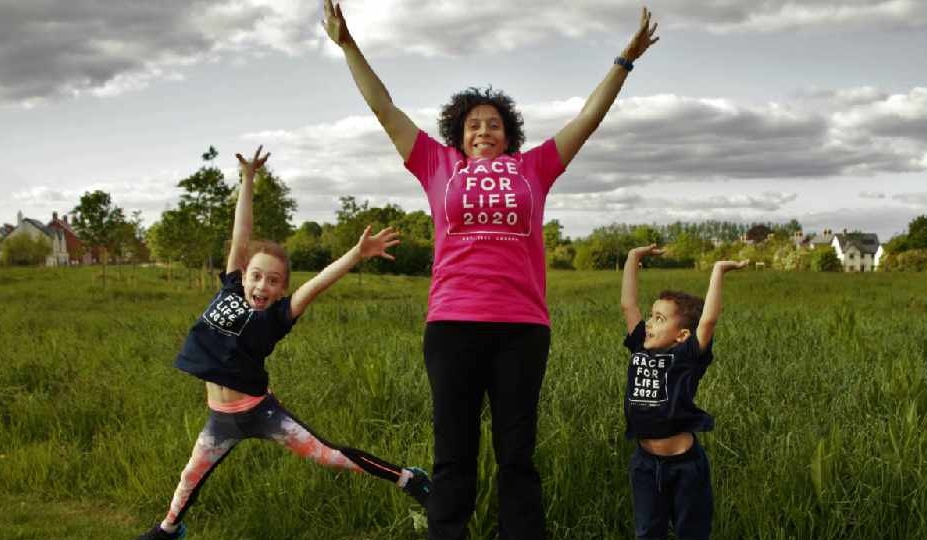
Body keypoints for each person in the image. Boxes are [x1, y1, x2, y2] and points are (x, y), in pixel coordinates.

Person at [323, 3, 659, 538]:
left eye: (494, 124)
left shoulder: (535, 168)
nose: (484, 130)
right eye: (474, 124)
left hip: (521, 329)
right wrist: (347, 45)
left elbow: (587, 119)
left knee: (516, 453)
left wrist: (624, 60)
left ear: (509, 135)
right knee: (452, 453)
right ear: (459, 134)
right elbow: (383, 108)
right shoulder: (437, 165)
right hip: (452, 324)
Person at [135, 147, 431, 540]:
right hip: (219, 418)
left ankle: (410, 479)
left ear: (281, 289)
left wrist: (356, 255)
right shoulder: (229, 287)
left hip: (261, 411)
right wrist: (248, 180)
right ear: (244, 274)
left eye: (273, 281)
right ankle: (169, 528)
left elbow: (318, 283)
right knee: (193, 471)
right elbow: (241, 233)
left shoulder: (276, 317)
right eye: (256, 276)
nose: (262, 285)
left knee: (330, 456)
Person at [620, 244, 747, 539]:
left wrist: (718, 271)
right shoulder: (641, 345)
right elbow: (628, 305)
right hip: (645, 463)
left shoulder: (687, 356)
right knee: (648, 531)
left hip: (685, 465)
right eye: (651, 316)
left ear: (682, 335)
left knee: (692, 532)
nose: (649, 323)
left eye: (659, 319)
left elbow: (709, 320)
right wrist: (632, 258)